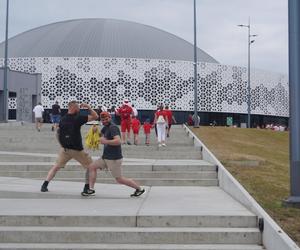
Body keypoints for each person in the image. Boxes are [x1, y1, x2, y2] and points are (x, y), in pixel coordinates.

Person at [40, 101, 98, 193]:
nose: (79, 109)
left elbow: (58, 133)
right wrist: (89, 107)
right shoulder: (78, 118)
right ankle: (87, 187)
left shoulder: (62, 119)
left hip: (65, 149)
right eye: (78, 108)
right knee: (91, 166)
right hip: (77, 150)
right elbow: (96, 117)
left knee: (56, 167)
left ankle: (44, 185)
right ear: (74, 108)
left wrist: (62, 145)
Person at [83, 111, 145, 197]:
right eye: (103, 119)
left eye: (106, 119)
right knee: (92, 167)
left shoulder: (113, 127)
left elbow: (118, 141)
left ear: (110, 118)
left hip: (114, 159)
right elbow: (99, 135)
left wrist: (105, 141)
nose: (105, 121)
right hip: (106, 157)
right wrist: (94, 131)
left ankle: (139, 189)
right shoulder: (106, 127)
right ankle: (91, 189)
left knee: (119, 179)